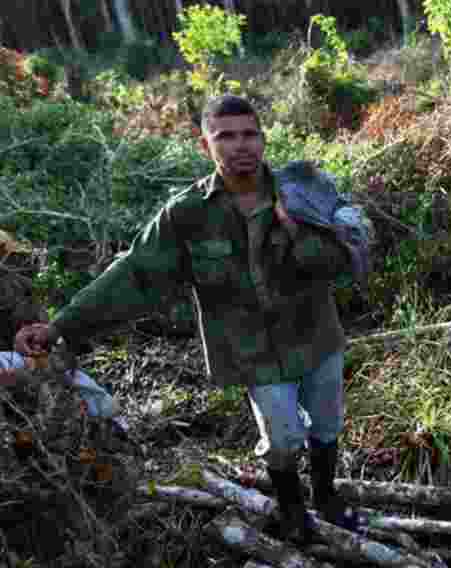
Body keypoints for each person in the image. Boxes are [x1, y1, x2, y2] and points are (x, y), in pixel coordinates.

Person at [15, 95, 367, 540]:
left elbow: (343, 259)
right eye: (226, 136)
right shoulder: (187, 213)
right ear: (206, 145)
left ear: (263, 138)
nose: (241, 145)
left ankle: (327, 497)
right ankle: (293, 511)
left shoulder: (302, 191)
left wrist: (297, 232)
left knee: (327, 424)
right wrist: (61, 326)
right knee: (282, 439)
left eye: (250, 134)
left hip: (315, 335)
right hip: (253, 352)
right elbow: (134, 274)